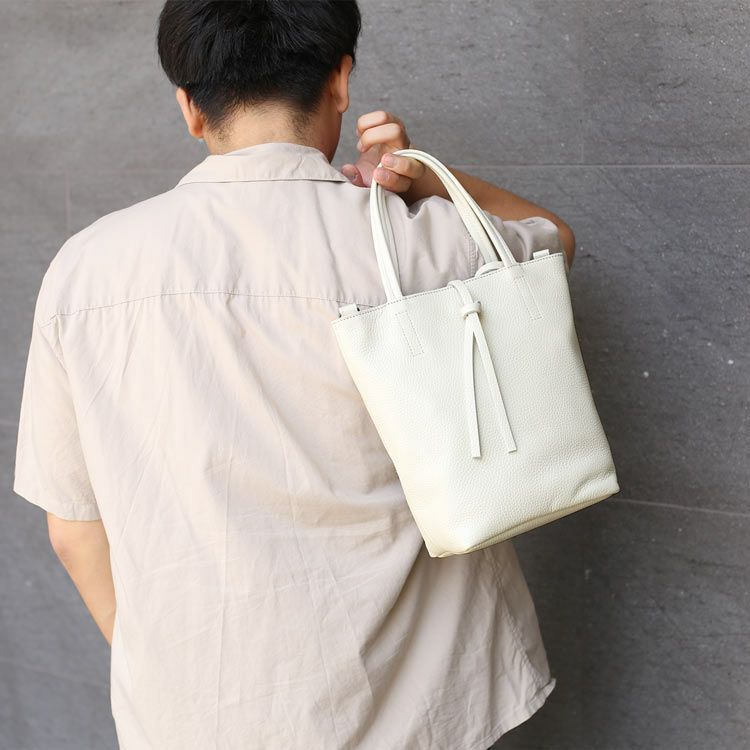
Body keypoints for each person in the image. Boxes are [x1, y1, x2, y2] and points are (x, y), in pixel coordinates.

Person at [12, 1, 576, 748]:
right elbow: (553, 243)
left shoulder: (85, 270)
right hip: (423, 708)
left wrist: (168, 678)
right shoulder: (419, 242)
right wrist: (427, 187)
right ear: (339, 81)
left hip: (193, 718)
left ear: (189, 107)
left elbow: (74, 534)